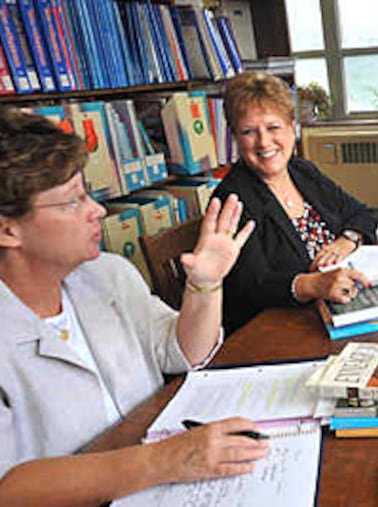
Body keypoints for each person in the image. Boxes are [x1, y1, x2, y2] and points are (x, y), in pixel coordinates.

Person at [0, 108, 268, 504]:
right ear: (7, 229)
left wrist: (205, 286)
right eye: (72, 202)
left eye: (87, 192)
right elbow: (8, 489)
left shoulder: (107, 274)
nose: (98, 211)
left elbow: (183, 352)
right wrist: (165, 460)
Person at [214, 71, 377, 333]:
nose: (264, 142)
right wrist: (313, 284)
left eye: (273, 127)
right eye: (249, 132)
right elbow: (250, 285)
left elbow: (361, 214)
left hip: (338, 309)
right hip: (279, 329)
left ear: (292, 126)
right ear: (235, 137)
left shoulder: (302, 171)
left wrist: (348, 238)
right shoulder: (231, 199)